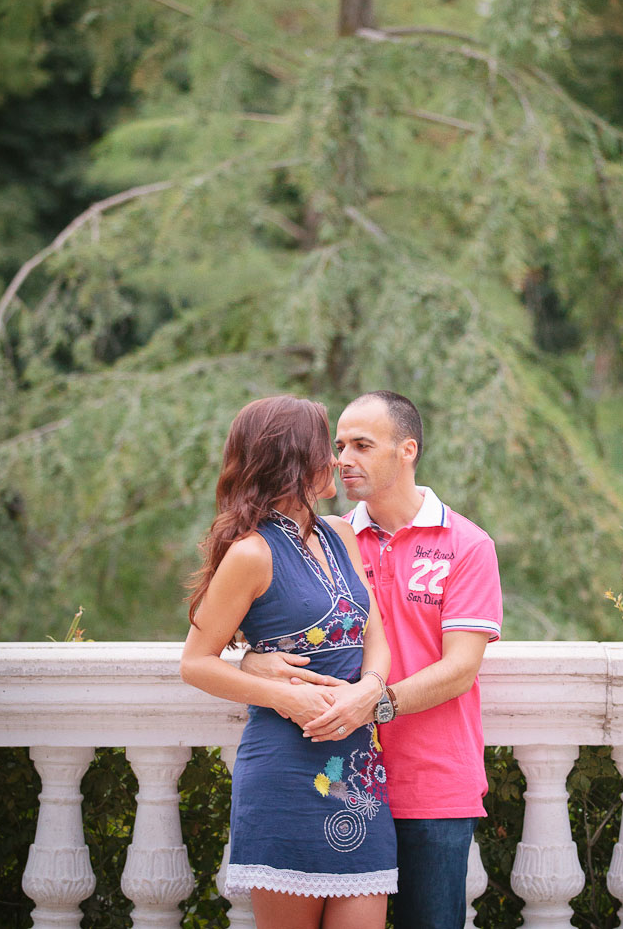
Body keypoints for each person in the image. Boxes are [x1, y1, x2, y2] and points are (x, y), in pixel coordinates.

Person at [244, 391, 503, 929]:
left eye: (362, 445)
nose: (343, 458)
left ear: (407, 450)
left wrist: (375, 702)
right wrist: (250, 661)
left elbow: (460, 668)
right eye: (338, 446)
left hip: (430, 783)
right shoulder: (325, 538)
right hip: (334, 777)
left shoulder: (467, 545)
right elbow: (243, 615)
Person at [180, 395, 397, 929]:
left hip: (358, 773)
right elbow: (196, 662)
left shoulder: (342, 534)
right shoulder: (251, 553)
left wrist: (371, 687)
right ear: (295, 461)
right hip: (282, 771)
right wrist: (286, 694)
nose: (338, 460)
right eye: (328, 447)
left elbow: (376, 631)